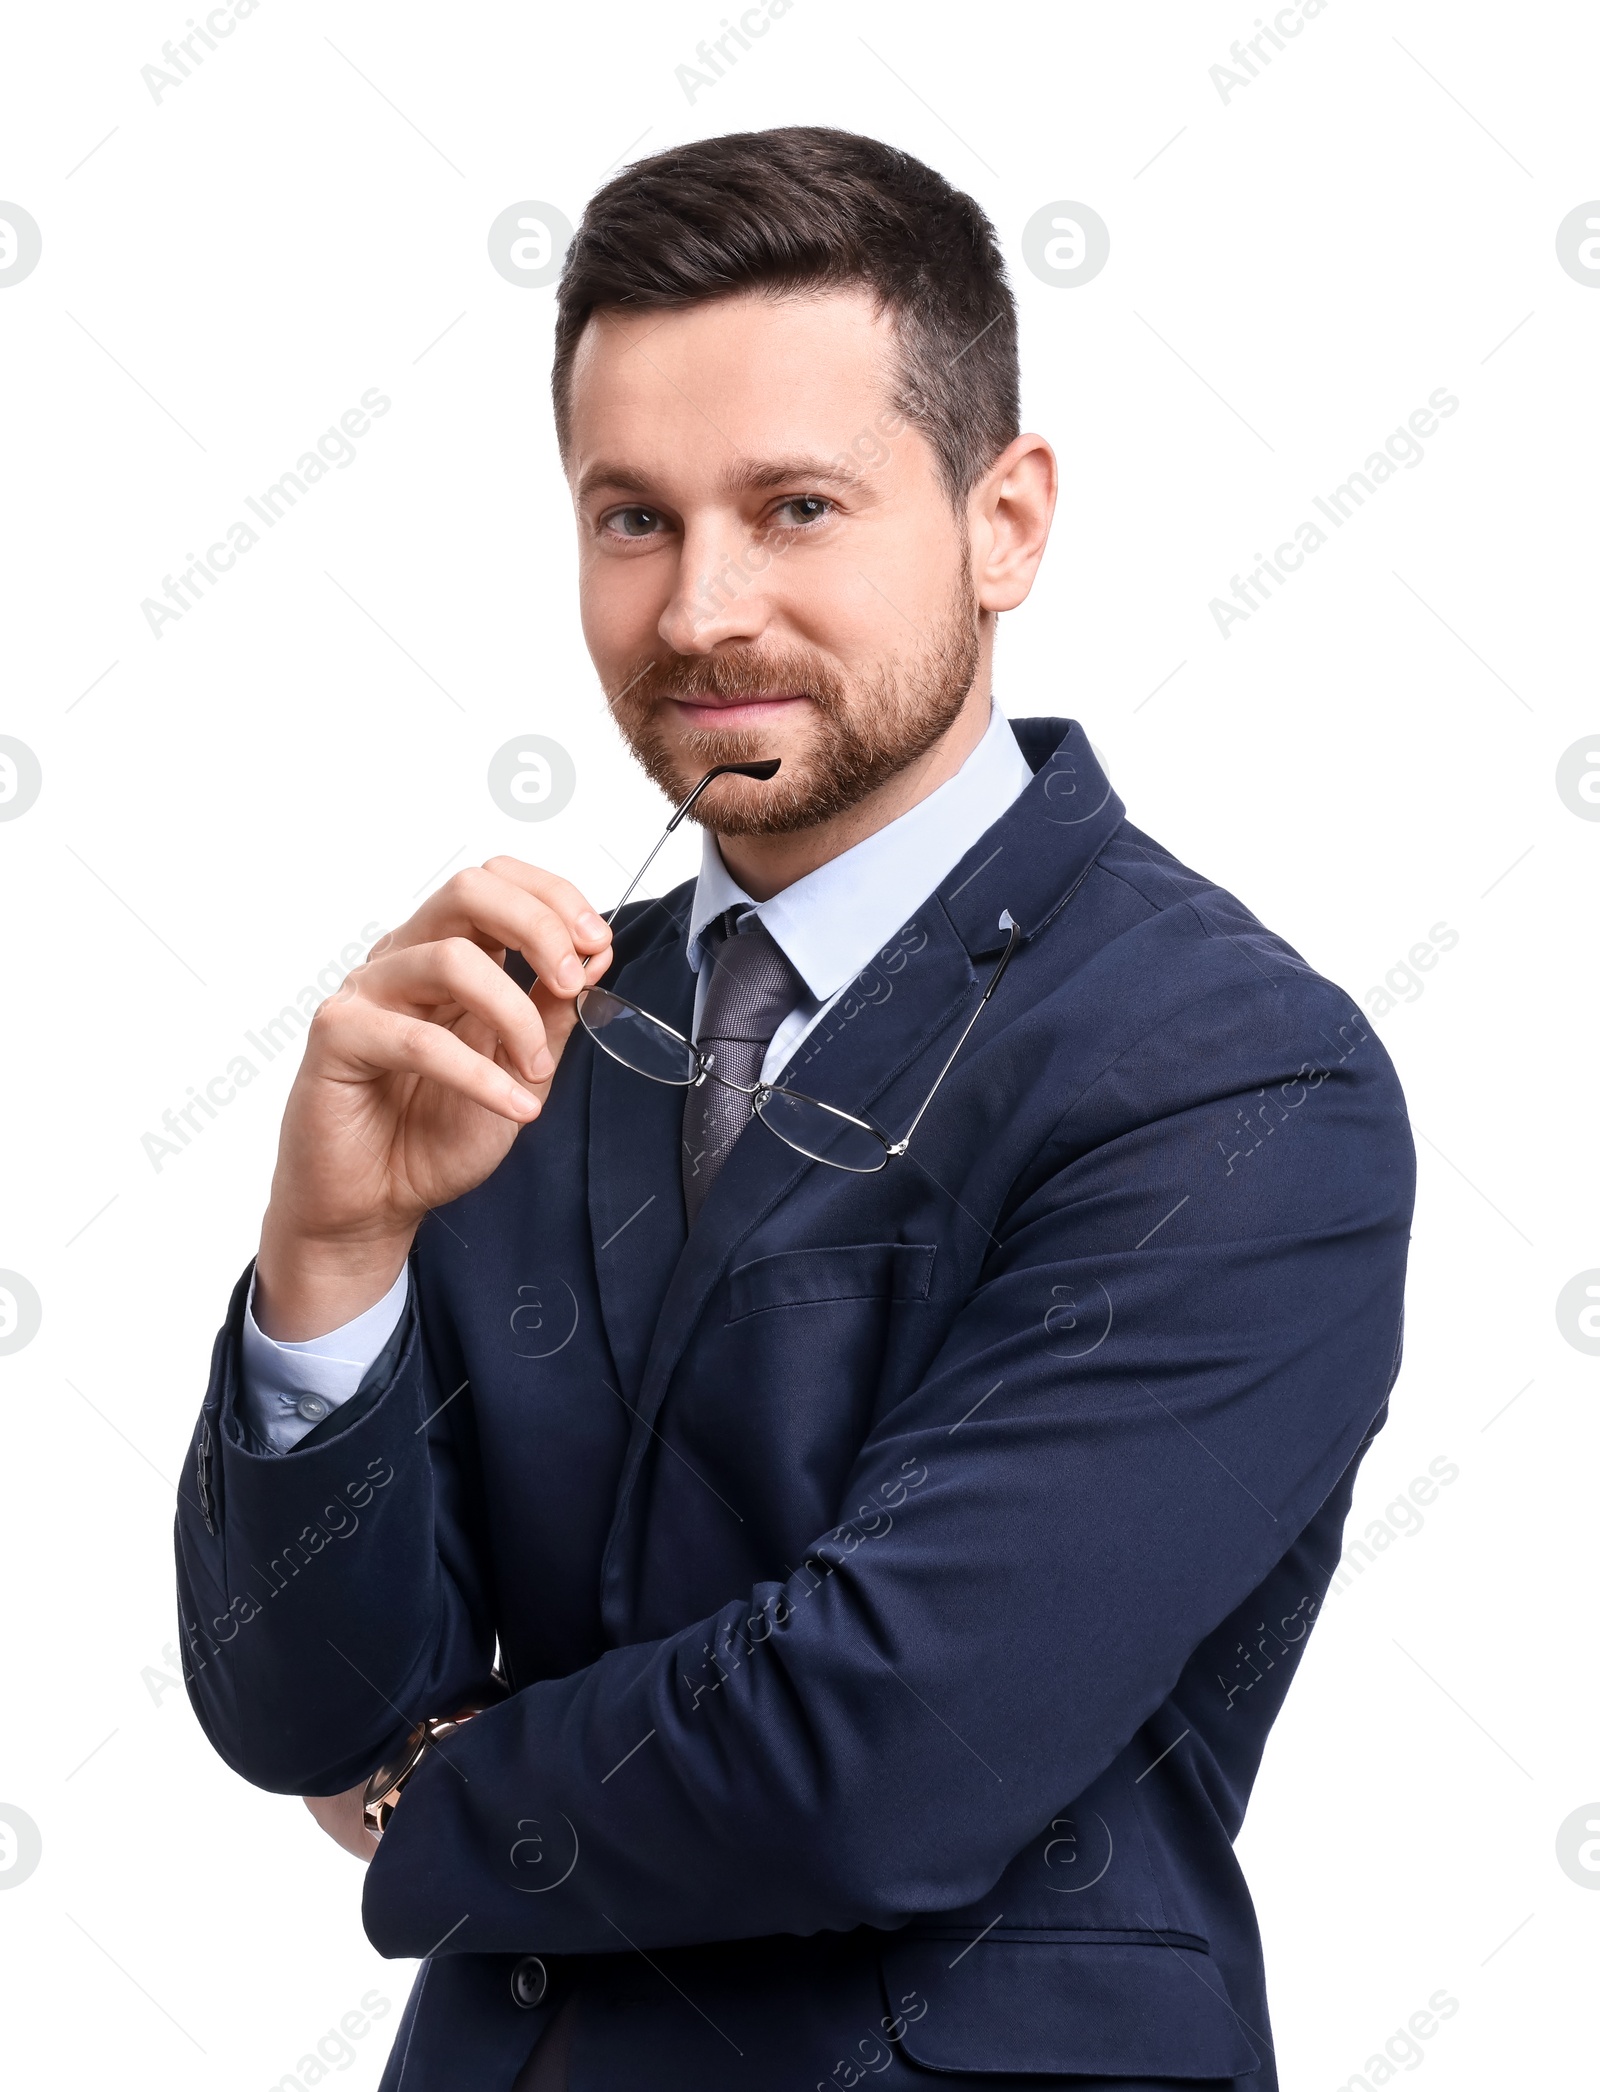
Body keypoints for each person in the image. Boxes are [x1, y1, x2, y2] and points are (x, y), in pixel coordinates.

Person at [175, 127, 1414, 2092]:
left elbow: (881, 1752)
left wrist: (443, 1787)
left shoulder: (1237, 1075)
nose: (699, 611)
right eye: (632, 517)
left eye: (795, 506)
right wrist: (331, 1260)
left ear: (1003, 521)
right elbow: (300, 1706)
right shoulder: (534, 1015)